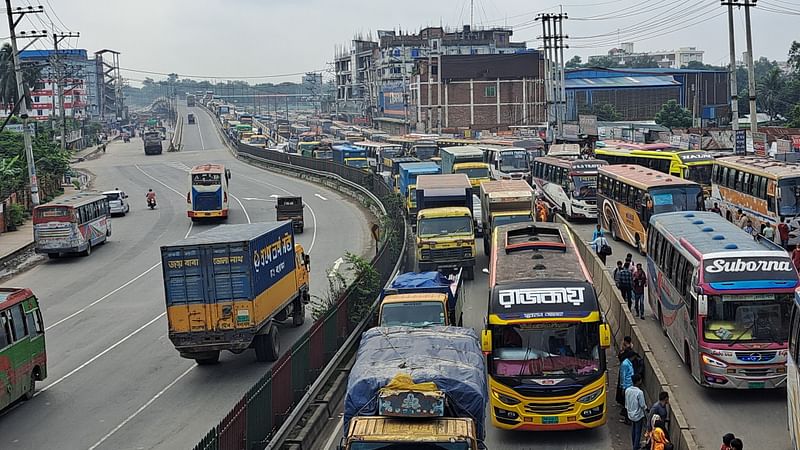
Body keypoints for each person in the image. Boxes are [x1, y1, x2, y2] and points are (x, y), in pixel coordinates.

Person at [625, 374, 647, 450]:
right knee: (638, 432)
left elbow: (626, 403)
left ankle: (634, 444)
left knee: (633, 430)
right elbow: (642, 405)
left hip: (630, 413)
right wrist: (646, 409)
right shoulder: (639, 392)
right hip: (638, 415)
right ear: (638, 382)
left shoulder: (627, 390)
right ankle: (635, 447)